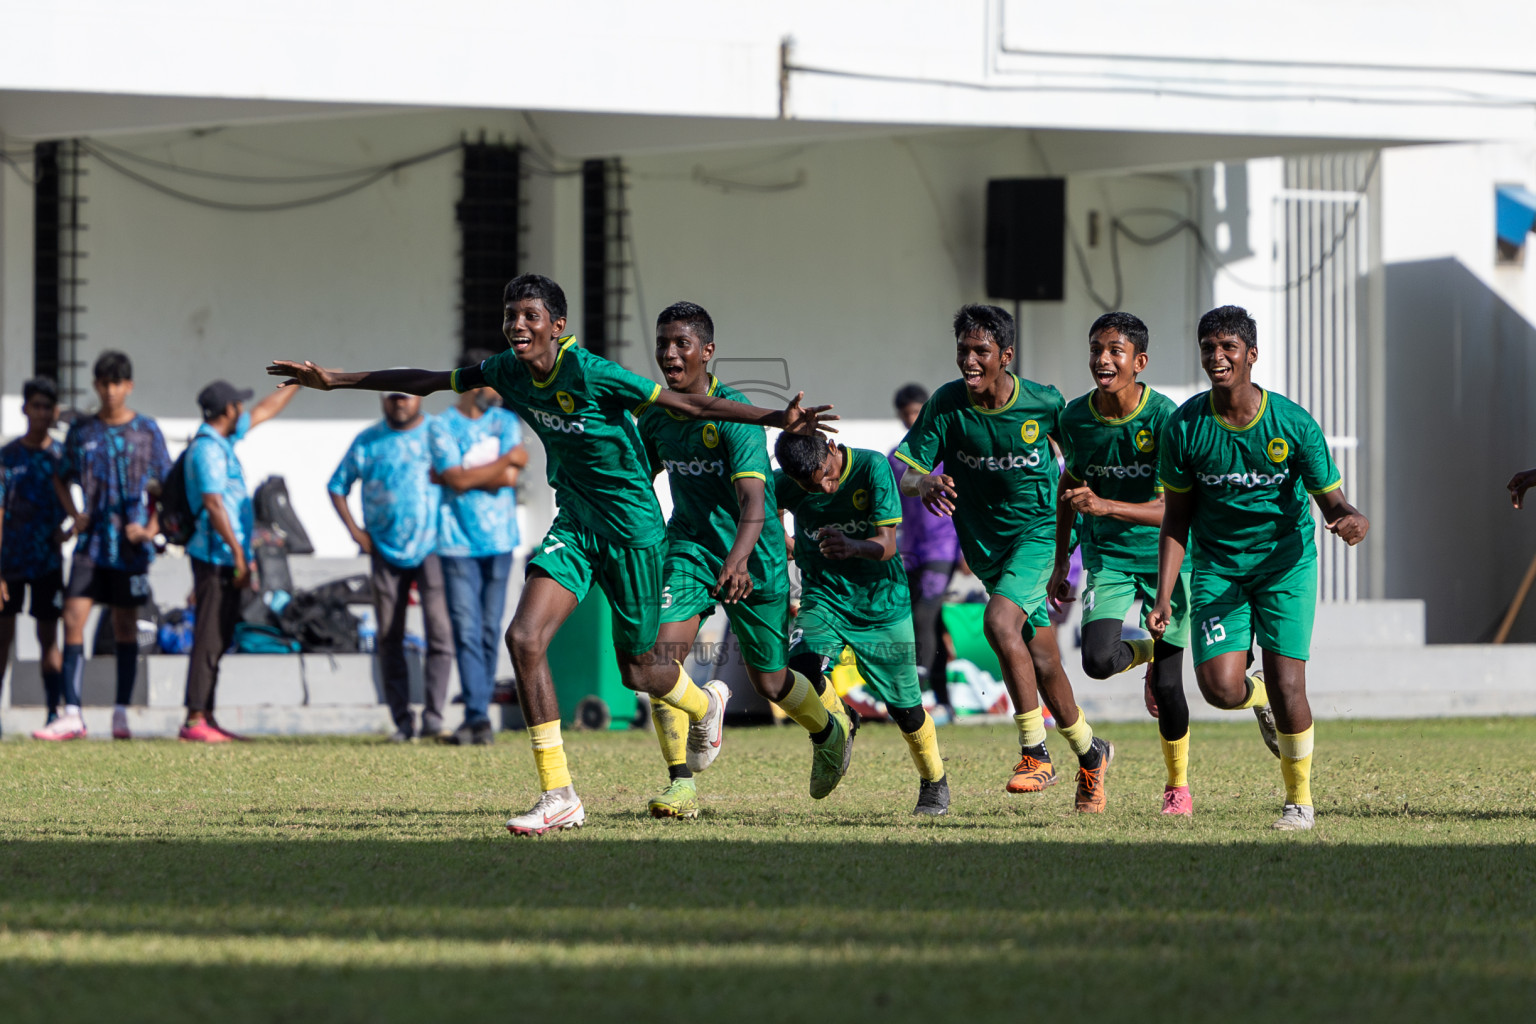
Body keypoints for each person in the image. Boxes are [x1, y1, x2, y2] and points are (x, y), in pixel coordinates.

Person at [269, 273, 832, 836]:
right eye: (511, 314)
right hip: (576, 522)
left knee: (641, 670)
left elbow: (689, 403)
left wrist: (776, 418)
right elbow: (428, 380)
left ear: (557, 327)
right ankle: (559, 793)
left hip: (633, 532)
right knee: (524, 637)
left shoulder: (594, 372)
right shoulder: (503, 372)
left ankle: (706, 707)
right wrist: (332, 379)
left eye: (530, 316)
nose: (518, 324)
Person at [1149, 305, 1369, 832]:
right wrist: (1162, 596)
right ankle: (1260, 695)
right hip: (1218, 568)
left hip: (1285, 566)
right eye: (1208, 347)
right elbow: (1175, 520)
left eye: (1228, 347)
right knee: (1221, 690)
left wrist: (1351, 519)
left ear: (1251, 354)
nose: (1216, 357)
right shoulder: (1185, 427)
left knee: (1290, 681)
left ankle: (1299, 802)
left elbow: (1332, 502)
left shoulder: (1292, 424)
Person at [1050, 311, 1277, 818]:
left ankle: (1178, 788)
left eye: (1115, 351)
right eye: (1095, 350)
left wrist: (1107, 506)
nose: (1102, 360)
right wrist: (1061, 560)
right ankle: (1150, 652)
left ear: (1140, 362)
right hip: (1107, 557)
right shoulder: (1073, 418)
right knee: (1097, 660)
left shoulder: (1166, 419)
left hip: (1165, 558)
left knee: (1173, 687)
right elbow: (1070, 489)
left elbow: (1173, 511)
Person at [637, 301, 855, 818]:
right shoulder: (655, 416)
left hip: (753, 559)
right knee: (656, 661)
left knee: (771, 682)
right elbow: (639, 484)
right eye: (663, 342)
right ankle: (681, 782)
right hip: (689, 549)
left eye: (681, 343)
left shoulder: (736, 418)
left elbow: (755, 503)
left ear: (707, 352)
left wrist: (737, 561)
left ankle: (830, 730)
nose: (670, 352)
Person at [895, 304, 1113, 812]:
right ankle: (1091, 751)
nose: (969, 361)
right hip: (986, 548)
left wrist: (1078, 537)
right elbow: (905, 472)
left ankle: (1035, 753)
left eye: (981, 351)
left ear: (1006, 356)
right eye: (963, 351)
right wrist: (924, 480)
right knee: (1043, 660)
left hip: (1038, 536)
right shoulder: (946, 405)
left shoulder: (1044, 403)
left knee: (998, 621)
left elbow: (1081, 467)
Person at [776, 431, 950, 815]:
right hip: (824, 596)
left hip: (881, 603)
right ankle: (837, 723)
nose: (820, 487)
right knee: (799, 669)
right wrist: (786, 541)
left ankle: (934, 782)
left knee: (905, 710)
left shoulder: (871, 466)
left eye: (824, 474)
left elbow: (888, 544)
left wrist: (851, 546)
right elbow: (758, 502)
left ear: (833, 450)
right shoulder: (788, 481)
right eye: (807, 484)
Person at [36, 351, 171, 742]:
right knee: (73, 620)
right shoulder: (82, 432)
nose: (110, 391)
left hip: (129, 552)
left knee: (124, 628)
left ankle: (120, 713)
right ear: (96, 386)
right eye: (104, 383)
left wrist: (151, 528)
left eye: (117, 383)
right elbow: (62, 477)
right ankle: (73, 713)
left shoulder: (147, 430)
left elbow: (167, 486)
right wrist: (74, 514)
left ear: (128, 386)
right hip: (90, 546)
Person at [329, 391, 453, 743]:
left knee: (440, 633)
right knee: (389, 635)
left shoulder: (437, 433)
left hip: (433, 545)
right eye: (392, 398)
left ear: (419, 399)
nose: (399, 403)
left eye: (406, 397)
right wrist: (357, 533)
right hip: (384, 548)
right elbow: (336, 485)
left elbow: (460, 477)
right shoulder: (368, 440)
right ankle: (402, 721)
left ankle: (434, 718)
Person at [180, 379, 299, 742]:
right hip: (216, 557)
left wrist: (300, 383)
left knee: (220, 636)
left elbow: (265, 410)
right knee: (208, 636)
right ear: (227, 410)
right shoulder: (207, 451)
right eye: (238, 406)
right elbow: (214, 505)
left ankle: (207, 715)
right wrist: (238, 555)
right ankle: (195, 718)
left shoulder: (223, 441)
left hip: (226, 556)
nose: (244, 411)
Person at [429, 348, 529, 746]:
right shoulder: (442, 427)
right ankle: (476, 716)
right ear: (473, 383)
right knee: (467, 631)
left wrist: (469, 476)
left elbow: (509, 480)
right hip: (456, 544)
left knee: (490, 631)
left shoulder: (505, 421)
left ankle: (478, 716)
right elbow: (456, 480)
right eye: (493, 381)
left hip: (500, 542)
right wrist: (504, 460)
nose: (501, 390)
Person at [888, 383, 961, 718]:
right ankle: (944, 700)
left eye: (916, 413)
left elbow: (962, 503)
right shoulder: (896, 458)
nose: (911, 419)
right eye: (906, 415)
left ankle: (920, 699)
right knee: (928, 623)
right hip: (910, 551)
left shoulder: (948, 454)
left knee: (923, 617)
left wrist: (965, 552)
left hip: (943, 548)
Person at [1, 378, 69, 727]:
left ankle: (54, 713)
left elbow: (77, 503)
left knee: (48, 639)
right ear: (24, 408)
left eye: (47, 406)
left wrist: (69, 530)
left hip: (47, 562)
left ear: (54, 412)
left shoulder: (60, 456)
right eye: (35, 405)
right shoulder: (7, 457)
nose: (41, 412)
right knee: (2, 639)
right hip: (9, 562)